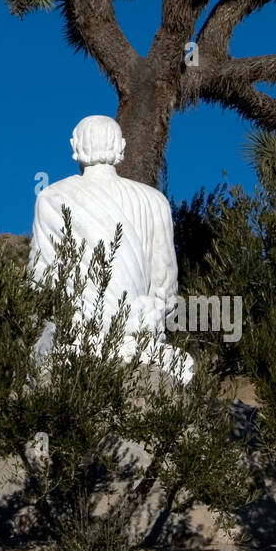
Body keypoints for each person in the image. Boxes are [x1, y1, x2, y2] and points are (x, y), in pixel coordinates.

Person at [29, 115, 193, 383]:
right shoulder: (154, 201)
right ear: (121, 148)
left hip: (77, 336)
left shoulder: (51, 197)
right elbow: (164, 285)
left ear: (75, 147)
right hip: (140, 333)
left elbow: (41, 281)